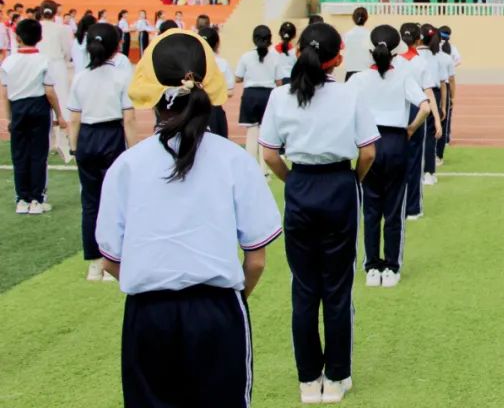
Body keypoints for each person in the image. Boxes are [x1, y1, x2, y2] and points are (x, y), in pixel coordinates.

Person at [96, 29, 281, 408]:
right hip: (218, 310)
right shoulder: (235, 161)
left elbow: (111, 259)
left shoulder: (127, 166)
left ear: (151, 94)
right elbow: (256, 259)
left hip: (148, 313)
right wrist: (228, 298)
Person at [259, 22, 379, 404]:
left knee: (305, 288)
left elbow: (269, 154)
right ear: (338, 59)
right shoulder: (350, 94)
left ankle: (309, 380)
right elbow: (368, 152)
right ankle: (337, 376)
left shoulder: (280, 96)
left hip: (301, 186)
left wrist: (292, 180)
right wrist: (354, 179)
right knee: (338, 289)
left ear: (298, 53)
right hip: (339, 185)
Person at [348, 25, 430, 288]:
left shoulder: (358, 79)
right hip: (396, 142)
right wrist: (411, 129)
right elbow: (425, 107)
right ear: (396, 52)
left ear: (371, 51)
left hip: (368, 142)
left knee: (371, 209)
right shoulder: (403, 77)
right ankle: (392, 268)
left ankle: (372, 267)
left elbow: (344, 109)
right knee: (394, 209)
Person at [68, 23, 138, 280]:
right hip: (111, 136)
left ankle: (95, 263)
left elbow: (74, 118)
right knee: (115, 201)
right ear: (117, 47)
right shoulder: (122, 76)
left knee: (90, 202)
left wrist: (74, 148)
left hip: (87, 138)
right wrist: (134, 150)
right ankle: (113, 260)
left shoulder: (80, 77)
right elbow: (129, 119)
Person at [1, 19, 66, 214]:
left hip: (17, 107)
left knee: (19, 154)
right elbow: (50, 92)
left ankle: (22, 199)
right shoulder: (44, 60)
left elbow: (4, 93)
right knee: (38, 154)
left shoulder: (8, 61)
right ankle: (37, 199)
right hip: (39, 107)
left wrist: (8, 118)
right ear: (40, 37)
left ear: (17, 37)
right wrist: (59, 114)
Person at [394, 23, 442, 220]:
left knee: (397, 161)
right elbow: (428, 92)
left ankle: (396, 206)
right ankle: (413, 208)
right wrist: (437, 119)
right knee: (414, 162)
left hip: (396, 109)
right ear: (418, 39)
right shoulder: (421, 62)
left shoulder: (394, 60)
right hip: (416, 108)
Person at [235, 25, 280, 166]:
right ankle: (264, 169)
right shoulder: (276, 57)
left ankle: (250, 165)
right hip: (268, 95)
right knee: (265, 133)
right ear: (270, 39)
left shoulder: (246, 56)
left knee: (252, 132)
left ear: (254, 39)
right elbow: (279, 81)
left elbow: (238, 78)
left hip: (250, 94)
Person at [39, 0, 73, 163]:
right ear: (55, 13)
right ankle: (60, 142)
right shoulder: (62, 29)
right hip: (57, 65)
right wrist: (64, 60)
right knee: (60, 99)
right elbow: (67, 50)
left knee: (44, 99)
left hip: (40, 64)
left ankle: (49, 140)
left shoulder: (37, 27)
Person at [417, 24, 445, 185]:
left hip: (415, 94)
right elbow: (442, 83)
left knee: (414, 135)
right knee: (430, 137)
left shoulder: (413, 56)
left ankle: (416, 173)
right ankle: (429, 172)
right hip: (433, 93)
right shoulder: (439, 57)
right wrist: (442, 107)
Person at [199, 27, 234, 139]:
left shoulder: (191, 62)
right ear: (217, 44)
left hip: (194, 110)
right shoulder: (222, 63)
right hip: (214, 109)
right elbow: (230, 91)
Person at [434, 36, 456, 166]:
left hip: (428, 88)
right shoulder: (446, 58)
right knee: (442, 120)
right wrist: (452, 97)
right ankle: (438, 155)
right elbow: (451, 79)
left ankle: (429, 154)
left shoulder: (425, 56)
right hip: (443, 88)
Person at [343, 7, 371, 81]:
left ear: (353, 18)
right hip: (366, 72)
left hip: (350, 73)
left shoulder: (347, 35)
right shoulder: (370, 35)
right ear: (366, 18)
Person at [275, 21, 299, 86]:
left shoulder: (272, 50)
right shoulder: (296, 52)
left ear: (279, 33)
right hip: (292, 84)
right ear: (294, 36)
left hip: (277, 84)